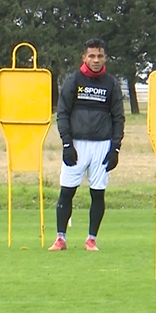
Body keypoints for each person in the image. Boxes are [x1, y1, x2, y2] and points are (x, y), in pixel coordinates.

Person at [49, 38, 124, 252]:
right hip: (77, 144)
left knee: (97, 193)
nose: (96, 60)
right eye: (91, 56)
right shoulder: (73, 81)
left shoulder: (111, 83)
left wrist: (115, 148)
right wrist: (66, 144)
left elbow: (119, 117)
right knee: (67, 192)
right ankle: (60, 238)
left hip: (102, 145)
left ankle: (91, 239)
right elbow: (62, 113)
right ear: (84, 58)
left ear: (105, 57)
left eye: (100, 56)